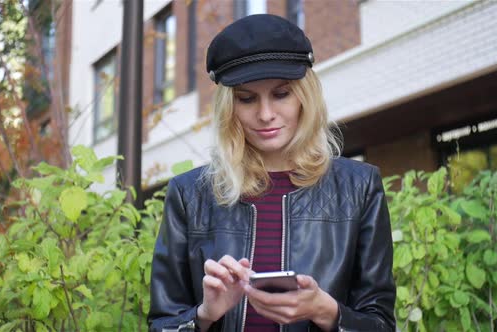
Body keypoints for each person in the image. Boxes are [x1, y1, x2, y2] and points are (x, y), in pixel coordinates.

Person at [147, 14, 395, 332]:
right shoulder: (189, 194)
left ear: (305, 96)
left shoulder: (358, 187)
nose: (265, 115)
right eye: (247, 99)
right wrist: (206, 314)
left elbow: (381, 324)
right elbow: (162, 324)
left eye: (281, 94)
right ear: (228, 107)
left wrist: (327, 311)